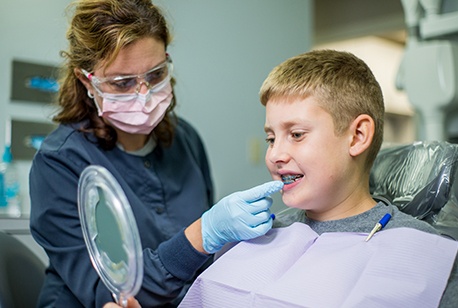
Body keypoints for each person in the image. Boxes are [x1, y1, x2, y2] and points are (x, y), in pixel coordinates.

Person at [29, 0, 282, 307]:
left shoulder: (185, 139)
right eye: (122, 83)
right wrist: (204, 233)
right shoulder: (60, 162)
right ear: (87, 81)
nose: (144, 94)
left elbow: (202, 270)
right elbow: (111, 293)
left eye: (155, 74)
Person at [177, 49, 458, 307]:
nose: (275, 154)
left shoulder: (426, 253)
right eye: (270, 138)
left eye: (296, 134)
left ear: (358, 136)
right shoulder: (261, 234)